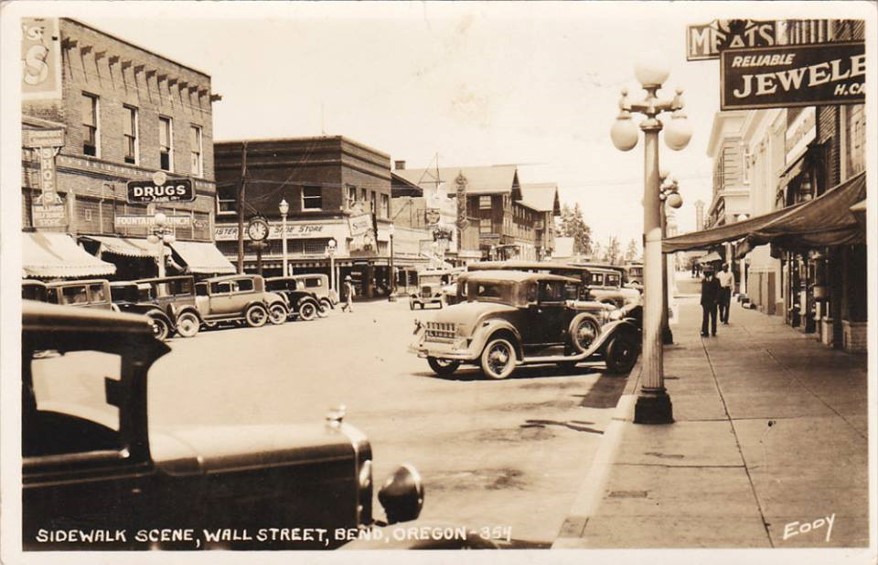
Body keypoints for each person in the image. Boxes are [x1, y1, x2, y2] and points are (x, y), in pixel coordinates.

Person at [700, 269, 721, 337]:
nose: (705, 275)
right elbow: (703, 292)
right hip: (706, 302)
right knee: (705, 317)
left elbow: (718, 291)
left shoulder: (716, 280)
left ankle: (713, 331)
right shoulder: (704, 281)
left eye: (706, 273)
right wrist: (702, 301)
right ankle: (705, 331)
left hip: (713, 302)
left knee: (713, 317)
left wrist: (716, 300)